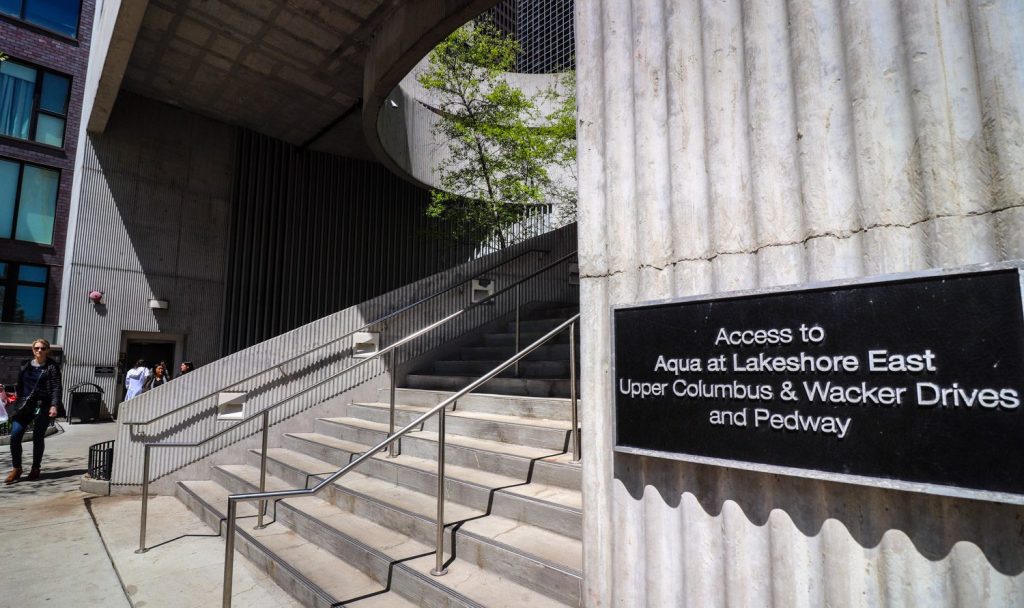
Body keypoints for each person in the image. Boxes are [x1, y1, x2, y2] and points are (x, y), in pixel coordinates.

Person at [5, 338, 63, 484]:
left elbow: (56, 387)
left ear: (47, 350)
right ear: (32, 350)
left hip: (43, 405)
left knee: (38, 437)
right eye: (36, 348)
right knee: (15, 435)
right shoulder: (25, 365)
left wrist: (54, 405)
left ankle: (35, 468)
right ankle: (16, 468)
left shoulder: (52, 367)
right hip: (24, 406)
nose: (39, 351)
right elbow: (20, 384)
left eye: (43, 348)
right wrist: (14, 397)